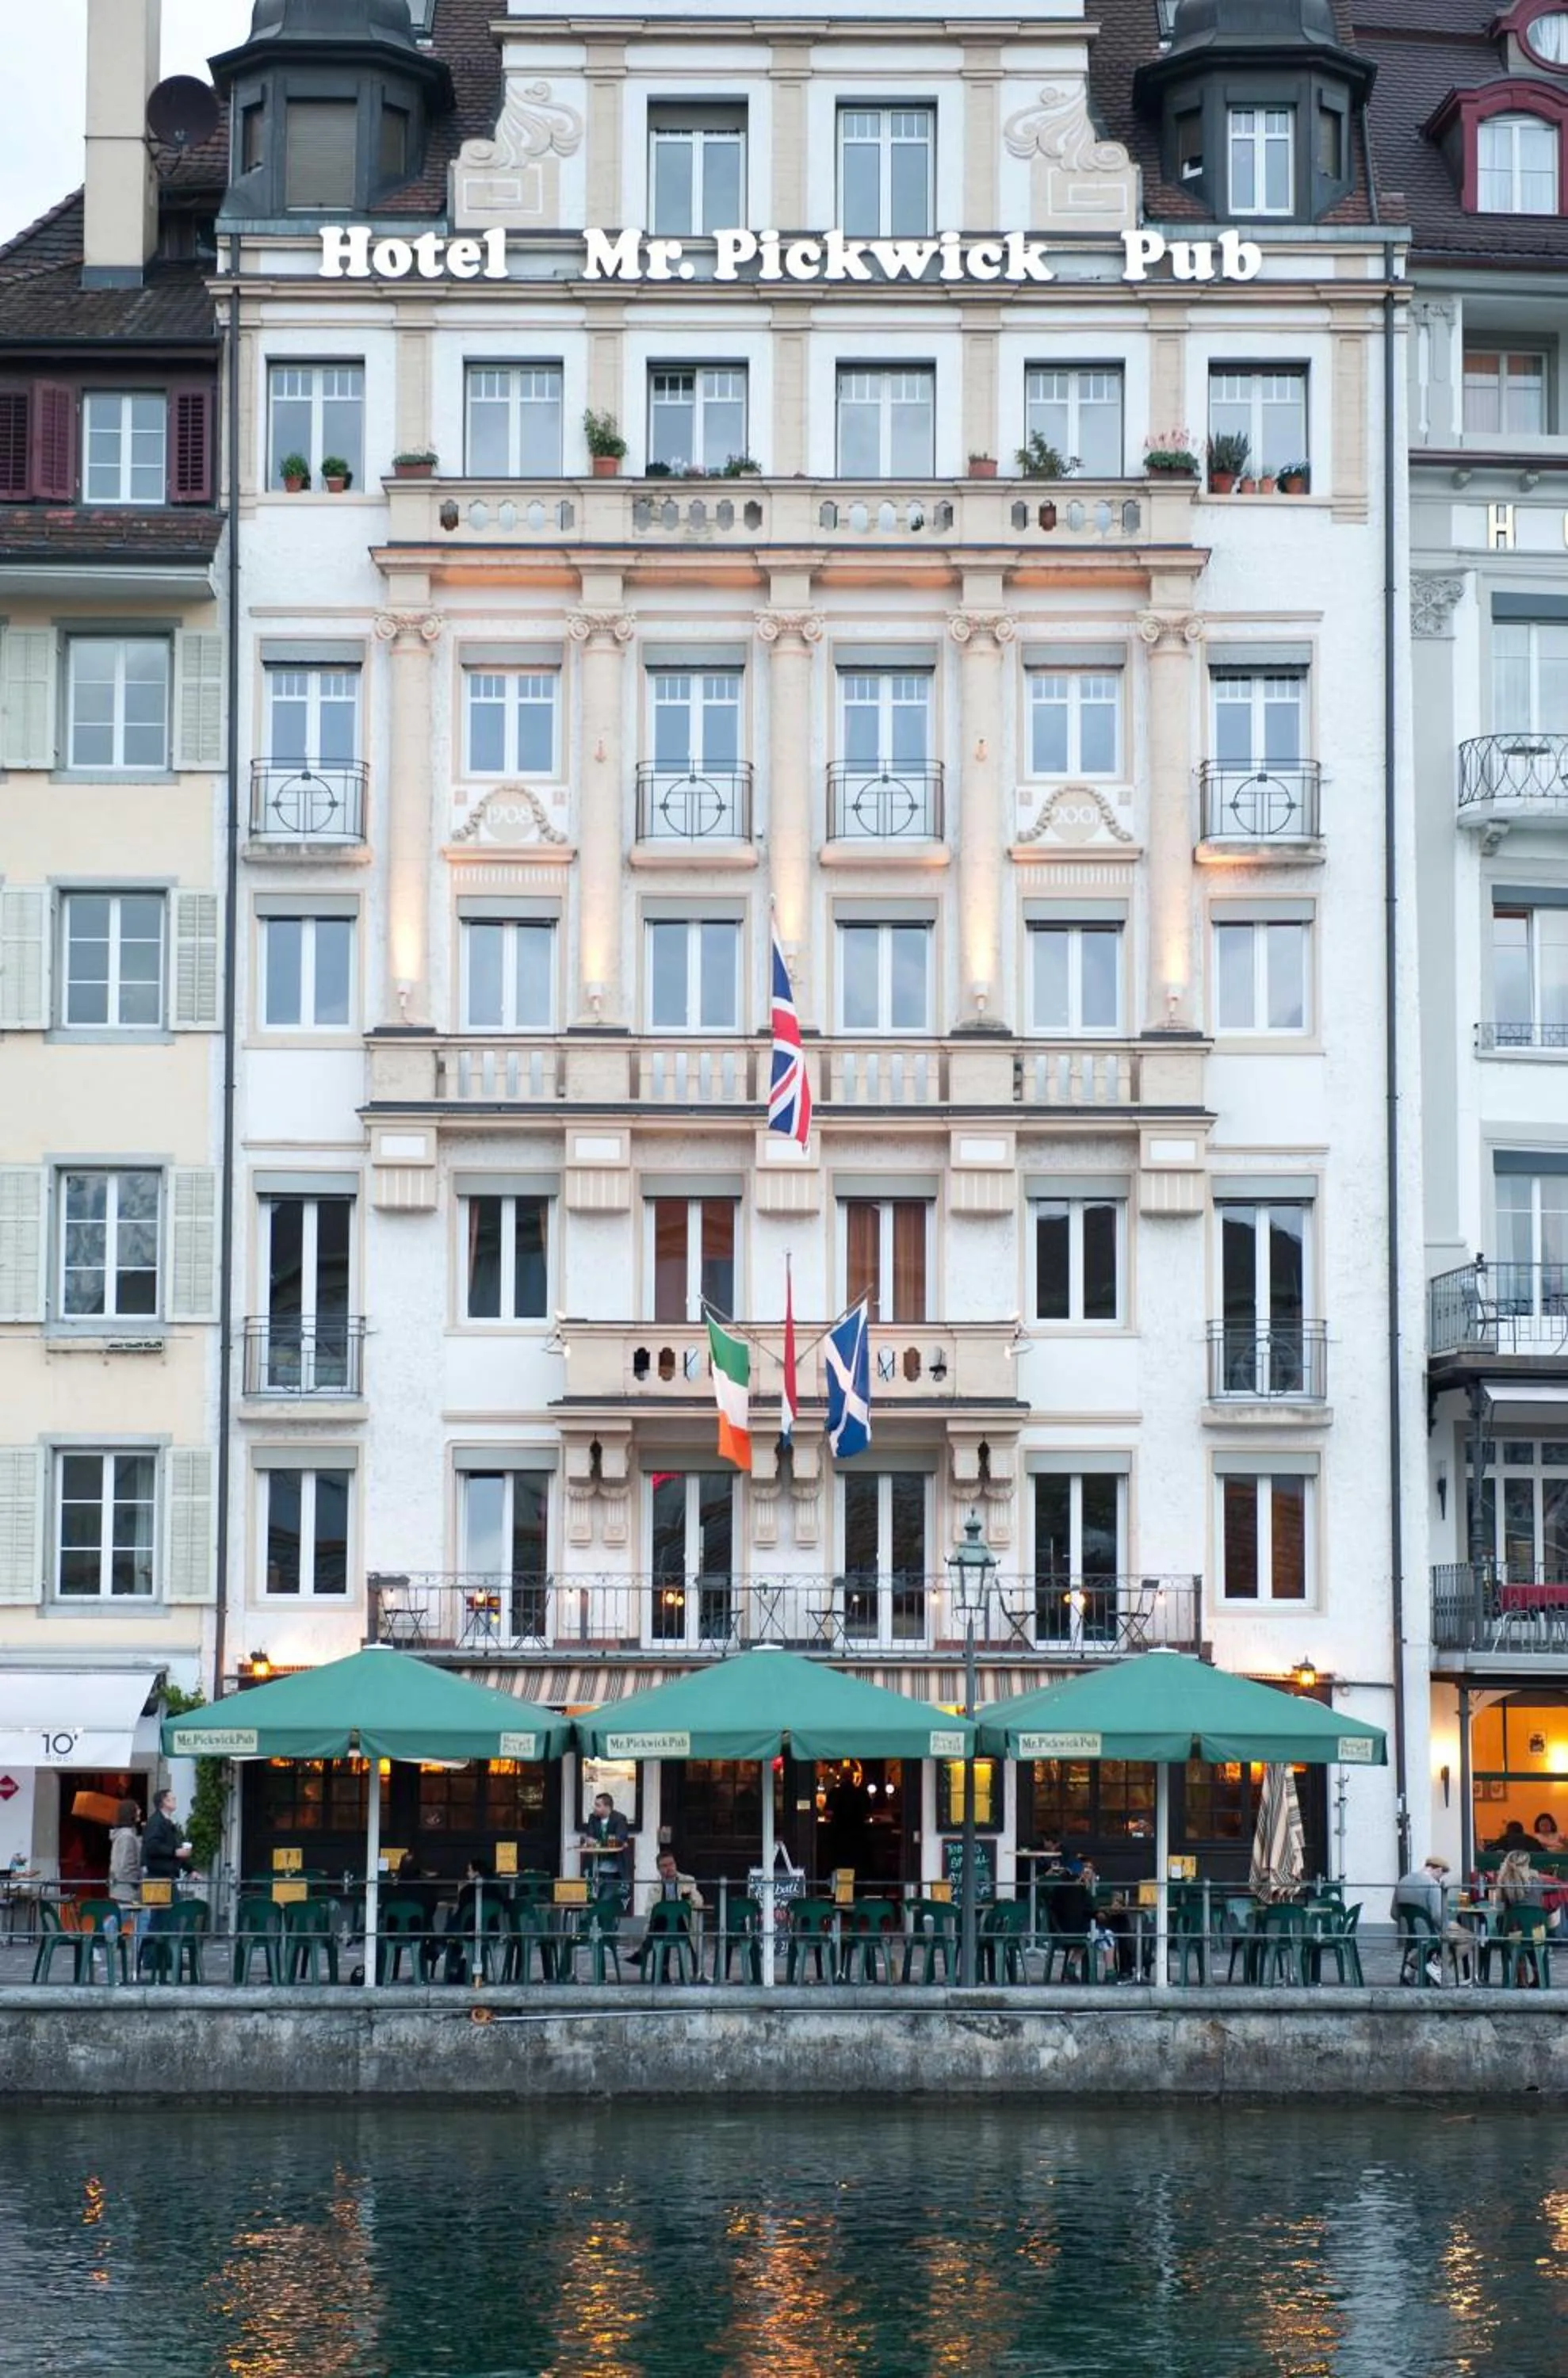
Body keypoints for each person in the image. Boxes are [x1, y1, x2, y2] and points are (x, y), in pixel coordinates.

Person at [1393, 1855, 1471, 1985]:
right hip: (1429, 1932)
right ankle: (1437, 1965)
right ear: (1439, 1870)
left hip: (1409, 1933)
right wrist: (1450, 1926)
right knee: (1468, 1938)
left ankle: (1411, 1968)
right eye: (1441, 1875)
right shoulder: (1432, 1884)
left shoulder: (1402, 1881)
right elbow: (1437, 1916)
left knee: (1450, 1933)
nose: (1440, 1879)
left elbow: (1394, 1914)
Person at [139, 1787, 191, 1975]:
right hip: (158, 1877)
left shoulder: (167, 1823)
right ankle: (155, 1958)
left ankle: (163, 1958)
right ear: (164, 1802)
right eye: (172, 1798)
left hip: (165, 1876)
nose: (175, 1800)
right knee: (162, 1918)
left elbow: (173, 1848)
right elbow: (152, 1847)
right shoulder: (157, 1823)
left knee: (164, 1918)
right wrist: (175, 1853)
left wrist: (190, 1869)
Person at [579, 1791, 632, 1905]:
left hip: (614, 1867)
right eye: (595, 1805)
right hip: (595, 1866)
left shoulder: (619, 1818)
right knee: (592, 1898)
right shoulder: (593, 1818)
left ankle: (606, 1920)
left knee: (606, 1900)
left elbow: (620, 1839)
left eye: (598, 1805)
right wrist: (595, 1841)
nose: (595, 1808)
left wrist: (598, 1842)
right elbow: (589, 1837)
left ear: (607, 1807)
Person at [106, 1799, 143, 1960]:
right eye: (137, 1809)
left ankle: (115, 1948)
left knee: (123, 1921)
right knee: (135, 1921)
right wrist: (136, 1881)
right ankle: (134, 1956)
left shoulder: (125, 1834)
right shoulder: (127, 1836)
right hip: (127, 1888)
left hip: (121, 1886)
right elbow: (125, 1865)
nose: (140, 1812)